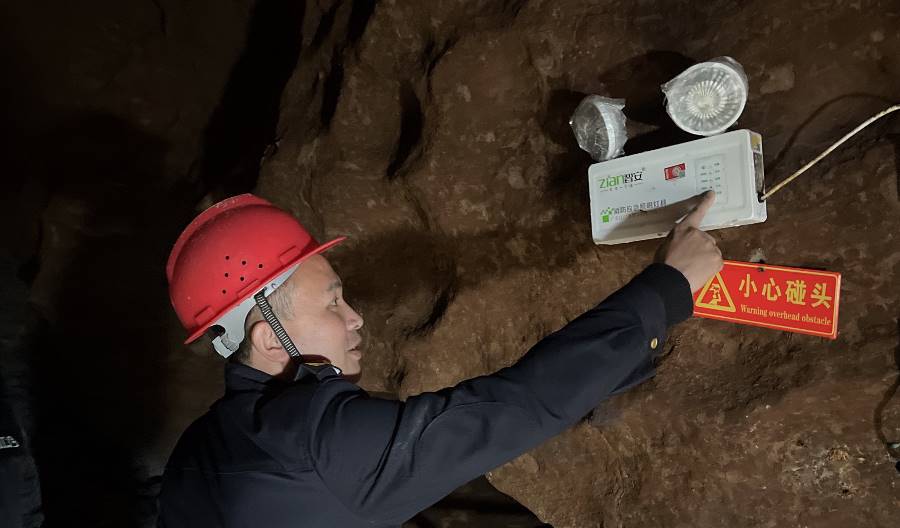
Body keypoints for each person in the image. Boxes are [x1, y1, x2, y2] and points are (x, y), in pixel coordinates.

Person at [158, 191, 722, 527]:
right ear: (269, 339)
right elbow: (515, 406)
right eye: (333, 302)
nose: (355, 317)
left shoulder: (197, 450)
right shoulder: (318, 444)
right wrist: (665, 290)